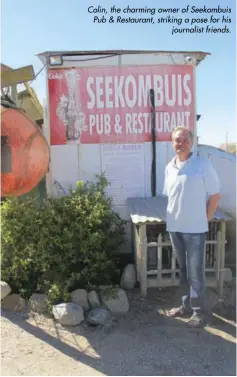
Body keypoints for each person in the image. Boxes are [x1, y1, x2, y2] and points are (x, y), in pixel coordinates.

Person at [163, 126, 220, 328]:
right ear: (172, 143)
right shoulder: (169, 167)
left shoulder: (202, 164)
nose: (181, 143)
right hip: (175, 228)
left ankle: (200, 312)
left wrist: (204, 219)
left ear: (192, 142)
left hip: (195, 230)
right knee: (184, 271)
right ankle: (185, 306)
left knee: (196, 272)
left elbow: (215, 195)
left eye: (185, 139)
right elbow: (171, 196)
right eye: (177, 140)